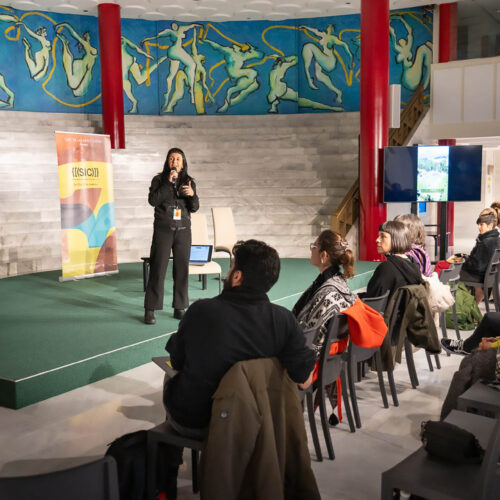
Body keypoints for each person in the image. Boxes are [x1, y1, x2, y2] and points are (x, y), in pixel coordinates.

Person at [163, 239, 316, 432]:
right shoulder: (283, 320)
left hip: (195, 422)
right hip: (251, 425)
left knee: (169, 374)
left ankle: (168, 448)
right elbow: (304, 380)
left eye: (231, 268)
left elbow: (177, 363)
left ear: (237, 276)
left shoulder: (200, 310)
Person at [144, 148, 199, 324]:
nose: (174, 162)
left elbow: (194, 208)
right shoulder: (159, 180)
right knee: (158, 268)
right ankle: (150, 309)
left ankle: (179, 307)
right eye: (171, 159)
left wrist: (192, 195)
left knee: (182, 269)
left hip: (183, 231)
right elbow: (153, 201)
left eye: (178, 159)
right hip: (164, 230)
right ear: (167, 162)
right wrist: (168, 183)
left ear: (183, 164)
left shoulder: (189, 181)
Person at [292, 230, 357, 355]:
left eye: (314, 246)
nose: (311, 250)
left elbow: (309, 337)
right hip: (324, 356)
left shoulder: (327, 293)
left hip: (306, 358)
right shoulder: (339, 282)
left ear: (324, 256)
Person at [366, 220, 423, 300]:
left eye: (382, 236)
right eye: (378, 236)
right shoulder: (413, 263)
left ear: (396, 239)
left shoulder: (387, 267)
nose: (377, 240)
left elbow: (372, 299)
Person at [453, 211, 500, 304]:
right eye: (478, 224)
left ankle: (459, 306)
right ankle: (471, 305)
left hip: (479, 276)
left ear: (490, 225)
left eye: (481, 224)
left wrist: (464, 260)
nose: (479, 227)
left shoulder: (486, 242)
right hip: (490, 276)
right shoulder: (496, 239)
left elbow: (477, 266)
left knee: (452, 273)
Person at [300, 24, 354, 104]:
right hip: (324, 59)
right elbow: (315, 31)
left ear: (331, 29)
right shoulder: (324, 35)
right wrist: (305, 27)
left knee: (308, 46)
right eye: (328, 27)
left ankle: (309, 78)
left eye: (329, 27)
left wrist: (350, 60)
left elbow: (344, 45)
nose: (327, 28)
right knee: (319, 75)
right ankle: (338, 92)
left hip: (329, 61)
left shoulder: (333, 38)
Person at [55, 22, 98, 97]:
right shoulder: (90, 51)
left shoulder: (91, 49)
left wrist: (65, 25)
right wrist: (65, 25)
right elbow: (76, 36)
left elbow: (75, 35)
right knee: (73, 65)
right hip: (78, 84)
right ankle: (65, 44)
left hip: (79, 85)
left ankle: (65, 44)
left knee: (72, 65)